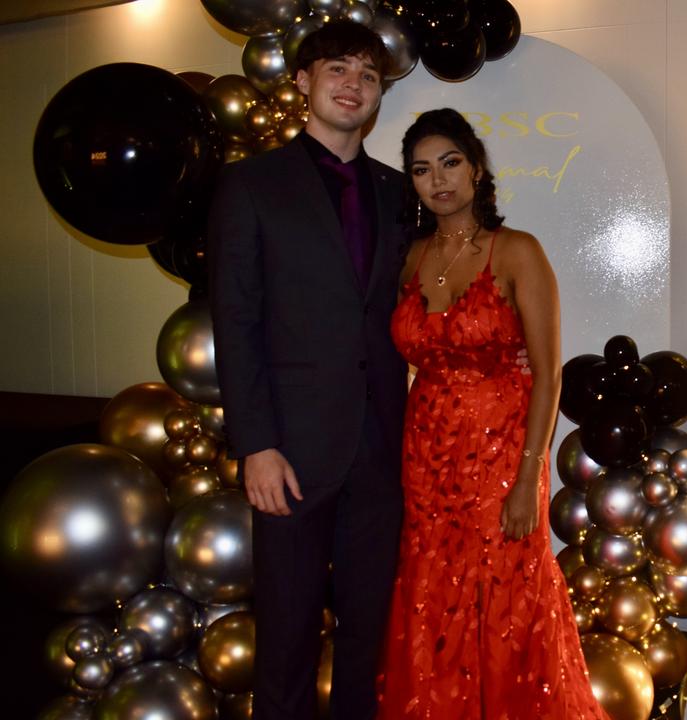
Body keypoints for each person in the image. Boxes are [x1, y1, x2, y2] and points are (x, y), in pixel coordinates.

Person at [208, 21, 407, 720]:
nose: (353, 85)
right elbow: (235, 321)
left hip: (382, 451)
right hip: (287, 451)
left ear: (380, 95)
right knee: (287, 639)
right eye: (337, 70)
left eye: (368, 76)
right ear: (302, 82)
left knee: (366, 639)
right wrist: (254, 444)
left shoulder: (395, 192)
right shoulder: (250, 185)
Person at [377, 108, 605, 718]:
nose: (438, 179)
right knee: (432, 594)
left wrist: (529, 475)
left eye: (450, 162)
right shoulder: (409, 258)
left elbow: (548, 372)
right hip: (426, 457)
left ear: (476, 168)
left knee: (506, 597)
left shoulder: (517, 252)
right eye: (422, 169)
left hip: (502, 453)